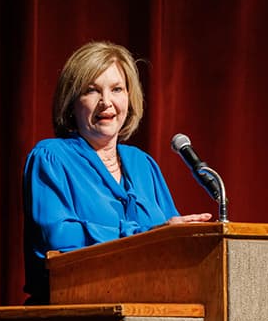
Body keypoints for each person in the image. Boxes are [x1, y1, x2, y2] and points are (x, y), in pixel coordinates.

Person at [22, 40, 211, 304]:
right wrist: (143, 235)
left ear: (129, 98)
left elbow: (171, 241)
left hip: (151, 316)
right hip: (74, 314)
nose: (106, 102)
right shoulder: (52, 158)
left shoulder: (142, 164)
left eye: (117, 89)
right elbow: (57, 237)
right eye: (92, 91)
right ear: (71, 103)